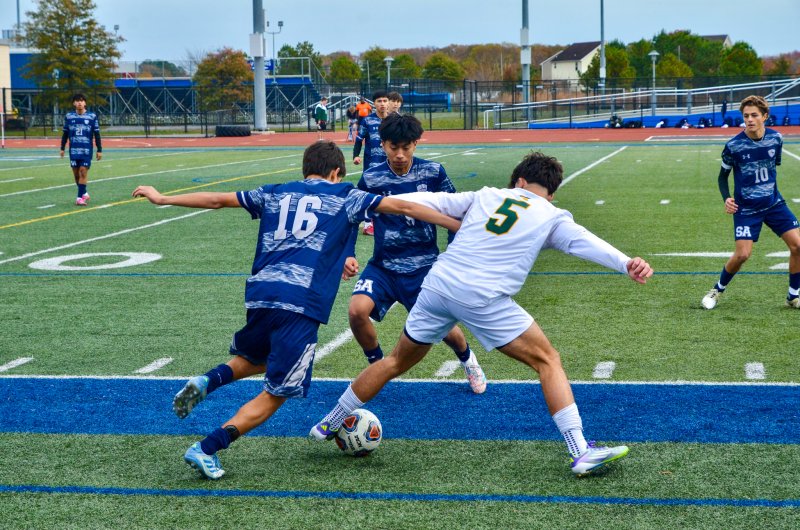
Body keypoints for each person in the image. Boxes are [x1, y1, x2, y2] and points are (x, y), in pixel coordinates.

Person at [310, 151, 654, 478]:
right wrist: (626, 263)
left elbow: (426, 201)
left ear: (518, 181)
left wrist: (371, 201)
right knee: (547, 360)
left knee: (396, 361)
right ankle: (579, 450)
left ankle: (331, 420)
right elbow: (584, 242)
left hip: (438, 285)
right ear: (549, 194)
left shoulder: (487, 195)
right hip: (481, 296)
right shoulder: (551, 215)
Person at [131, 140, 460, 480]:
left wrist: (163, 197)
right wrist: (453, 224)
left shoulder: (275, 191)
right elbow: (404, 207)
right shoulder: (346, 194)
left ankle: (207, 380)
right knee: (277, 393)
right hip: (302, 304)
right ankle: (207, 448)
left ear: (306, 169)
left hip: (261, 294)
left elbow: (217, 199)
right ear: (336, 172)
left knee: (259, 359)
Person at [349, 112, 486, 392]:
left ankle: (468, 359)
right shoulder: (372, 178)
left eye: (406, 147)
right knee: (356, 311)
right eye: (393, 147)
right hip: (384, 266)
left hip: (424, 267)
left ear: (416, 144)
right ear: (383, 144)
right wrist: (348, 254)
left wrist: (452, 255)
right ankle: (376, 365)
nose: (399, 154)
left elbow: (458, 211)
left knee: (446, 331)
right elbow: (352, 215)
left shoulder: (433, 172)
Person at [701, 95, 800, 310]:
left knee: (798, 245)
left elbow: (772, 169)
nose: (750, 119)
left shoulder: (776, 139)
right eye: (746, 116)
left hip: (774, 204)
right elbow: (722, 177)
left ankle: (793, 295)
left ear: (765, 116)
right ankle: (717, 290)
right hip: (746, 209)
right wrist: (726, 198)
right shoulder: (734, 145)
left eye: (754, 115)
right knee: (743, 254)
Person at [354, 90, 391, 236]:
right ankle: (368, 224)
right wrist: (356, 156)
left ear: (388, 103)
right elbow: (359, 140)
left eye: (385, 101)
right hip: (372, 163)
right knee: (371, 192)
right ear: (374, 104)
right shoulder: (367, 120)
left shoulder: (393, 120)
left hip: (390, 163)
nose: (382, 104)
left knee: (388, 190)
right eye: (379, 101)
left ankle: (387, 219)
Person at [60, 93, 102, 206]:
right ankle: (84, 192)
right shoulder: (69, 117)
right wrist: (62, 148)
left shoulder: (92, 116)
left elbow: (97, 134)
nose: (79, 102)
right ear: (74, 103)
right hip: (73, 151)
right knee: (76, 175)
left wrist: (99, 150)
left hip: (86, 151)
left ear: (85, 103)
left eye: (82, 100)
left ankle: (79, 198)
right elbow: (65, 134)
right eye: (77, 101)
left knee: (83, 172)